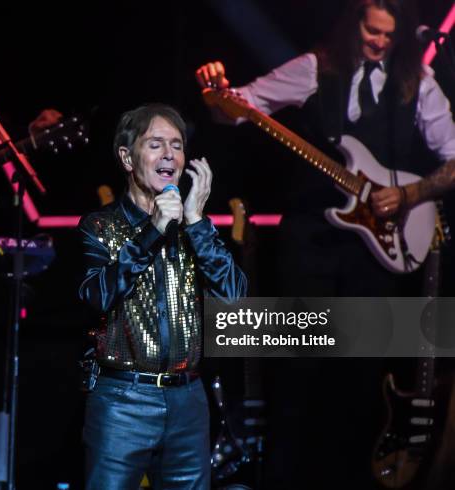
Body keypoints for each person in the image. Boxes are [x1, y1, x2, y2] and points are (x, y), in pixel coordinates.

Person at [195, 1, 455, 489]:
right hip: (309, 241)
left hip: (377, 251)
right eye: (370, 30)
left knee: (358, 384)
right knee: (297, 374)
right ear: (353, 23)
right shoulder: (315, 67)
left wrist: (410, 193)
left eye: (387, 35)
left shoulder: (417, 84)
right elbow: (238, 109)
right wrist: (216, 93)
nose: (377, 41)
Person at [77, 103, 247, 489]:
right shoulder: (99, 226)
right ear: (127, 156)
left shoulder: (193, 228)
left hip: (188, 399)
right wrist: (153, 231)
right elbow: (97, 297)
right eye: (156, 144)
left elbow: (235, 299)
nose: (169, 154)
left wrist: (199, 222)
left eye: (177, 145)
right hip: (122, 400)